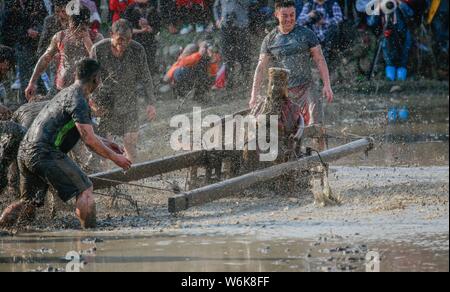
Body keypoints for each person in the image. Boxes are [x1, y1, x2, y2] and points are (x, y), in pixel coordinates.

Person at [0, 59, 132, 229]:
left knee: (28, 203)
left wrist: (107, 143)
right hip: (44, 152)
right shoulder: (79, 100)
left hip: (26, 151)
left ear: (76, 75)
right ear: (96, 78)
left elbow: (83, 132)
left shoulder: (66, 93)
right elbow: (89, 141)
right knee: (85, 190)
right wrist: (116, 158)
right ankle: (89, 239)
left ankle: (3, 231)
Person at [250, 0, 334, 132]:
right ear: (276, 15)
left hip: (306, 88)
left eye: (292, 15)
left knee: (317, 127)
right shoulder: (270, 39)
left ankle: (319, 150)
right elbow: (260, 68)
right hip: (283, 93)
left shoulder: (306, 34)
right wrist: (254, 95)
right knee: (281, 131)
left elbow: (320, 59)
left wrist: (327, 85)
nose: (289, 19)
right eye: (285, 15)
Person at [90, 19, 156, 162]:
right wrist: (92, 102)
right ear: (111, 35)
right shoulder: (98, 49)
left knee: (130, 143)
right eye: (120, 39)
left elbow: (146, 76)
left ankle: (133, 175)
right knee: (106, 146)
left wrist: (151, 103)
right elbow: (90, 78)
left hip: (129, 99)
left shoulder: (137, 49)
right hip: (106, 101)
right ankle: (106, 176)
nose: (124, 44)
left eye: (128, 40)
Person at [25, 6, 103, 101]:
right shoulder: (60, 36)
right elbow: (45, 58)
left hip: (87, 92)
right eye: (73, 27)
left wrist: (87, 40)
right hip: (60, 89)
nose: (74, 32)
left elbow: (100, 64)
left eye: (80, 29)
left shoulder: (97, 38)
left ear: (87, 25)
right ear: (69, 23)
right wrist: (32, 82)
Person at [2, 0, 48, 103]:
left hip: (38, 44)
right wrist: (25, 32)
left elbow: (45, 21)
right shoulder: (10, 5)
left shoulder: (36, 3)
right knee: (26, 76)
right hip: (18, 46)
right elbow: (6, 30)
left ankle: (44, 99)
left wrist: (37, 31)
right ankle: (26, 102)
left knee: (40, 74)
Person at [213, 0, 251, 89]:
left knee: (243, 53)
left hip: (241, 26)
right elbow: (215, 7)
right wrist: (217, 20)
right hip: (225, 26)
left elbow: (249, 3)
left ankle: (246, 80)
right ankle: (228, 81)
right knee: (226, 55)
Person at [123, 0, 161, 73]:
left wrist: (149, 27)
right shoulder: (131, 8)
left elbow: (157, 28)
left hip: (149, 40)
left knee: (150, 54)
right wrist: (141, 30)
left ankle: (149, 72)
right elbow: (126, 28)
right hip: (134, 39)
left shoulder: (153, 8)